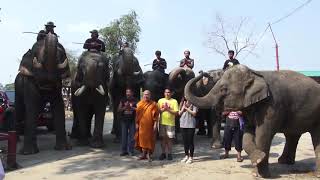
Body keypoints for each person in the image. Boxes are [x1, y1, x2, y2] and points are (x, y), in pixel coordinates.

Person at [135, 90, 160, 161]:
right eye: (145, 94)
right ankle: (143, 154)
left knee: (150, 139)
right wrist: (136, 124)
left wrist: (155, 124)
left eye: (148, 94)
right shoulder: (139, 104)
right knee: (142, 140)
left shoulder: (154, 104)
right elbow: (137, 116)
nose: (146, 96)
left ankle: (149, 154)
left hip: (150, 125)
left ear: (150, 95)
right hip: (141, 126)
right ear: (143, 95)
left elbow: (156, 115)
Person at [158, 88, 179, 160]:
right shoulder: (160, 101)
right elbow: (157, 111)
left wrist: (168, 109)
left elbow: (176, 113)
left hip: (170, 123)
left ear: (171, 93)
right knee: (163, 139)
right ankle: (163, 153)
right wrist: (164, 109)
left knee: (170, 139)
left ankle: (169, 153)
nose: (167, 94)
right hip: (162, 123)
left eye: (169, 92)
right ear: (164, 93)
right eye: (166, 92)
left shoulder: (174, 101)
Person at [117, 88, 137, 156]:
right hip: (124, 121)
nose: (128, 93)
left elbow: (139, 109)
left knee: (132, 137)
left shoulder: (135, 100)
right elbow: (119, 110)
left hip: (132, 121)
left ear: (132, 93)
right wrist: (125, 107)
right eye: (127, 92)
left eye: (129, 92)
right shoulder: (123, 100)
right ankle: (124, 151)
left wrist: (131, 108)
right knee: (124, 136)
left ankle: (131, 150)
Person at [178, 98, 197, 164]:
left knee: (190, 141)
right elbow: (179, 113)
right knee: (185, 141)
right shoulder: (181, 103)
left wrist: (187, 109)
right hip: (183, 124)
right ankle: (186, 155)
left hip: (191, 125)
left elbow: (194, 113)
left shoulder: (194, 103)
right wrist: (183, 108)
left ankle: (191, 157)